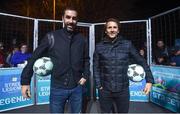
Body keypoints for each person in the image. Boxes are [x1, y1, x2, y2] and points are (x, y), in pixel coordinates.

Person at [21, 6, 90, 113]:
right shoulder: (51, 37)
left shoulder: (82, 39)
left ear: (77, 20)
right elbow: (34, 57)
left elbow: (86, 59)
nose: (71, 21)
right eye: (68, 17)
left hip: (77, 88)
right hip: (57, 88)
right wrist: (25, 82)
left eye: (74, 18)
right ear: (63, 18)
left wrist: (85, 75)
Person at [93, 18, 154, 113]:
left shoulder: (127, 44)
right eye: (109, 27)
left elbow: (141, 61)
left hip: (122, 90)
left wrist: (149, 81)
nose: (112, 29)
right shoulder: (99, 46)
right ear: (106, 30)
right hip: (105, 90)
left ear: (118, 30)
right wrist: (98, 85)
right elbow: (95, 66)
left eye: (114, 27)